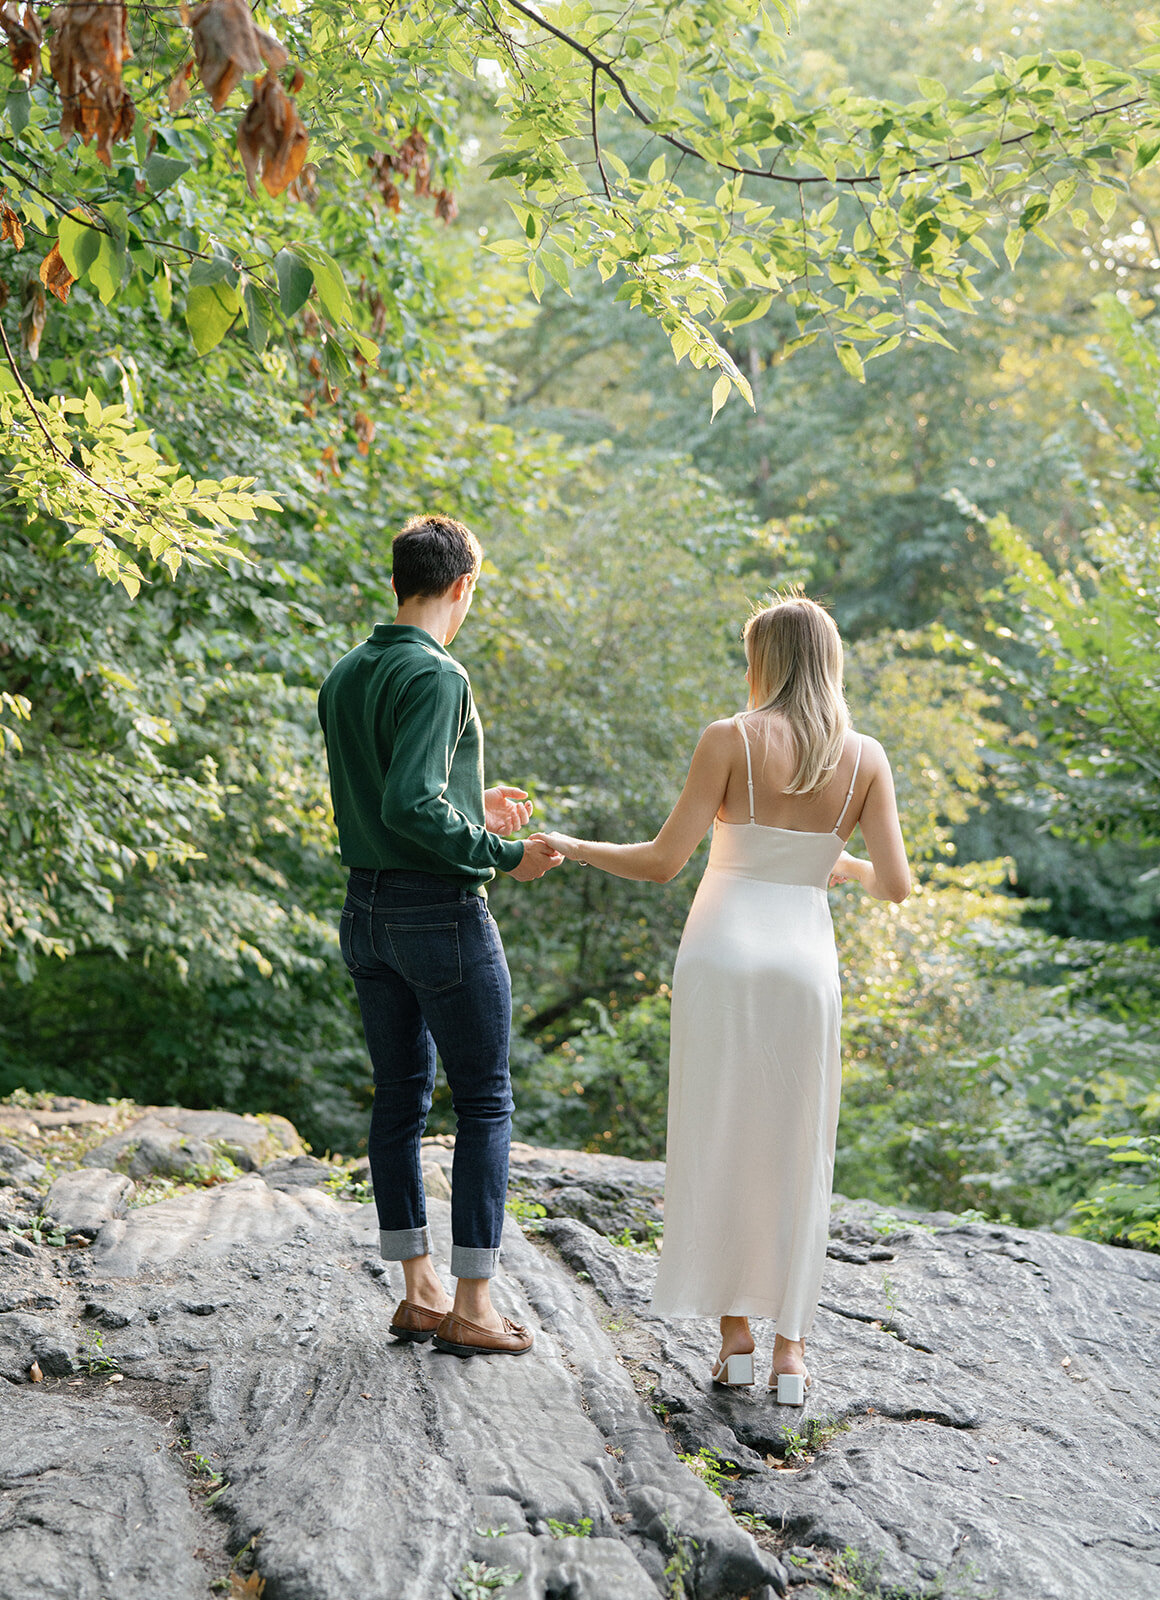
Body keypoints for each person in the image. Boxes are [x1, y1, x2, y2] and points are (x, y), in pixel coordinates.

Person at [537, 594, 910, 1401]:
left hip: (721, 953)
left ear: (765, 662)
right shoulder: (866, 757)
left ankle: (734, 1340)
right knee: (798, 1147)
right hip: (803, 964)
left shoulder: (729, 739)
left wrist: (570, 844)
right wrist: (832, 863)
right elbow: (898, 886)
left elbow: (665, 860)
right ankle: (792, 1358)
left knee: (720, 1137)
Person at [318, 513, 562, 1359]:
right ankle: (474, 1307)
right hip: (439, 916)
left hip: (366, 913)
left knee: (398, 1100)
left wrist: (470, 807)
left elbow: (389, 800)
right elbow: (408, 806)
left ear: (399, 580)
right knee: (485, 1101)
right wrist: (502, 850)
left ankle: (419, 1292)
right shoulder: (439, 674)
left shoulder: (346, 674)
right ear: (462, 585)